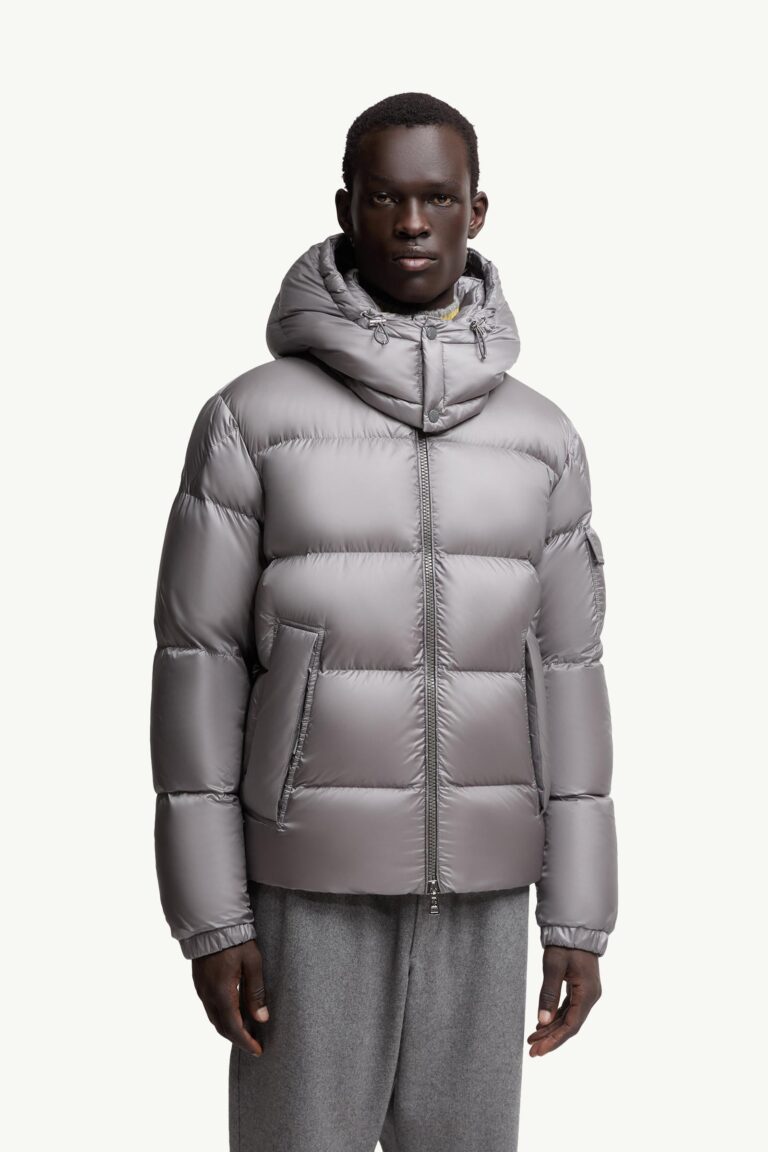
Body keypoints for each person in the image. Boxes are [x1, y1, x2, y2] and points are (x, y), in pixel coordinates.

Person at [149, 91, 618, 1152]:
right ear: (345, 208)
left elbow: (570, 678)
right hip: (304, 884)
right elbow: (198, 671)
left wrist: (579, 917)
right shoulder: (252, 422)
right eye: (385, 197)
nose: (412, 223)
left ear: (477, 212)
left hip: (485, 887)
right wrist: (212, 919)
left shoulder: (542, 439)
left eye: (438, 198)